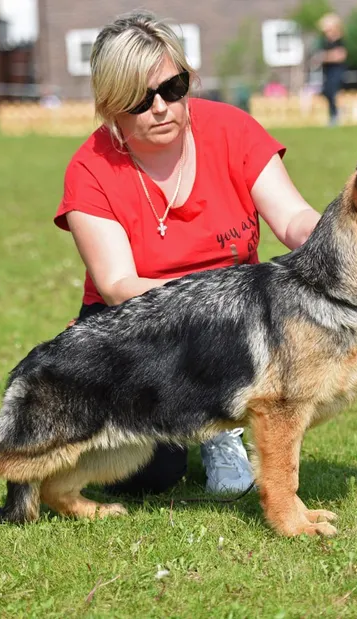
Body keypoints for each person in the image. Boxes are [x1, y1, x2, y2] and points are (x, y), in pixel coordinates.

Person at [54, 10, 323, 495]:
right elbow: (118, 285)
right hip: (137, 323)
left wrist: (333, 238)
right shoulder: (88, 169)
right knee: (145, 475)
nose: (161, 107)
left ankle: (226, 427)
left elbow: (291, 219)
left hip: (231, 327)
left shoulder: (232, 130)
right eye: (140, 99)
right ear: (110, 104)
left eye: (173, 89)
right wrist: (213, 303)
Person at [316, 13, 347, 126]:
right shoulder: (326, 42)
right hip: (327, 71)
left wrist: (325, 57)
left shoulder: (339, 40)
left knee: (331, 91)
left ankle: (336, 114)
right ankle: (334, 113)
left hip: (336, 71)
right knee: (327, 92)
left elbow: (340, 55)